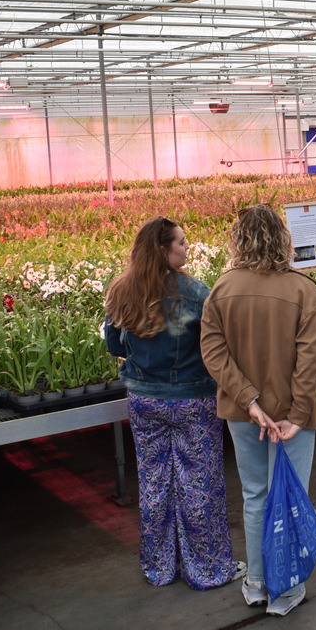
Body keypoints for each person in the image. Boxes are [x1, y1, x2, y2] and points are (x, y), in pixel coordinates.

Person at [104, 216, 242, 589]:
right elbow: (218, 346)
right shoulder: (197, 293)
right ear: (163, 250)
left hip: (144, 400)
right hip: (193, 401)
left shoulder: (121, 290)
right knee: (200, 484)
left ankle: (160, 566)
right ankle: (207, 568)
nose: (187, 247)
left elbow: (114, 345)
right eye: (181, 242)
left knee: (154, 484)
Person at [201, 205, 316, 616]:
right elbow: (309, 361)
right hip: (290, 417)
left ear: (238, 240)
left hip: (243, 414)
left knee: (254, 495)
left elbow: (213, 353)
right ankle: (285, 589)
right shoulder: (302, 289)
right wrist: (298, 415)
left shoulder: (222, 289)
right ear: (283, 238)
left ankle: (256, 582)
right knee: (288, 497)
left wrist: (249, 401)